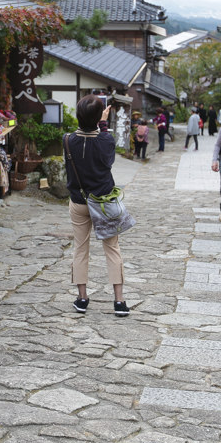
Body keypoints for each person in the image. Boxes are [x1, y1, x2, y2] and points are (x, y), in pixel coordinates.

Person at [65, 95, 129, 317]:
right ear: (100, 117)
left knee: (80, 249)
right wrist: (102, 123)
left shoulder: (68, 140)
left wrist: (96, 122)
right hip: (104, 204)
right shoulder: (106, 140)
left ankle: (82, 299)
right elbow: (106, 155)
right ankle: (119, 302)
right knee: (112, 249)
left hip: (79, 202)